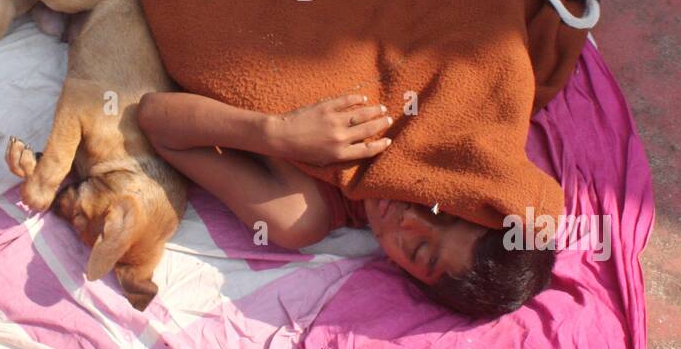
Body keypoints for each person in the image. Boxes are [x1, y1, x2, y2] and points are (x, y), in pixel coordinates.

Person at [136, 91, 556, 318]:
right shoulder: (454, 124)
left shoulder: (300, 214)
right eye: (441, 210)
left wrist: (277, 134)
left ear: (400, 270)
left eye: (417, 250)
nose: (407, 220)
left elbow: (157, 118)